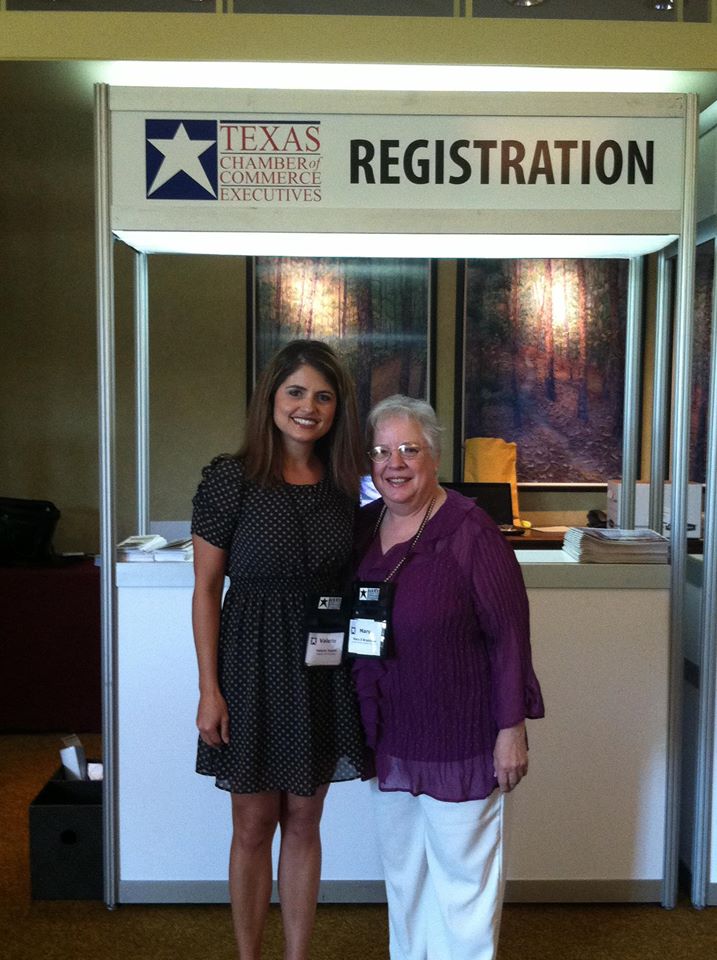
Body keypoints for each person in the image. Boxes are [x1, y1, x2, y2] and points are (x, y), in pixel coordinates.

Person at [352, 395, 545, 960]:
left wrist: (511, 729)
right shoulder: (364, 527)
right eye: (383, 451)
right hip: (388, 732)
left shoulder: (470, 531)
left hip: (459, 736)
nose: (395, 463)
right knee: (404, 878)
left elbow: (510, 636)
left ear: (433, 456)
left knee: (463, 885)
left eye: (409, 449)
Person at [190, 339, 365, 960]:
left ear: (337, 408)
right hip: (249, 666)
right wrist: (210, 691)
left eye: (323, 396)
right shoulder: (230, 479)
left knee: (305, 821)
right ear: (271, 398)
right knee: (252, 823)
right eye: (296, 392)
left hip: (321, 669)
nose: (308, 407)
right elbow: (207, 590)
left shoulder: (347, 486)